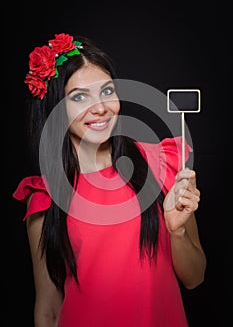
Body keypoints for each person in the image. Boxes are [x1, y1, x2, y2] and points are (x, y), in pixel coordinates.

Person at [13, 32, 207, 327]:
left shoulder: (161, 164)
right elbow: (49, 310)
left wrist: (176, 232)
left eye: (106, 91)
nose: (100, 108)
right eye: (79, 97)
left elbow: (195, 278)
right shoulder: (45, 195)